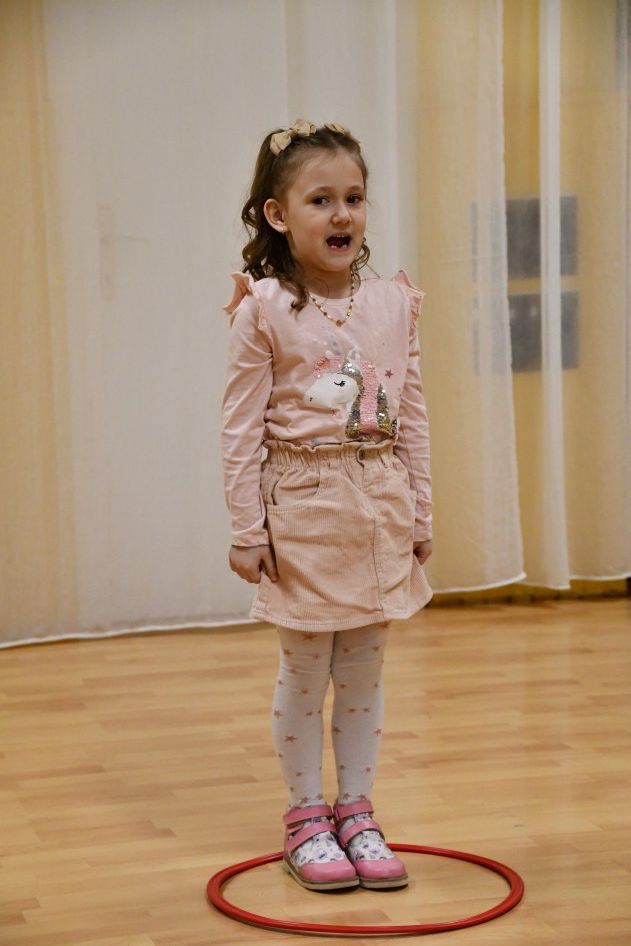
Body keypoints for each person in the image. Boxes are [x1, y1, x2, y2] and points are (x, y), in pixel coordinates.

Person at [220, 119, 433, 892]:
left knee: (365, 670)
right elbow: (239, 427)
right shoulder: (264, 308)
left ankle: (356, 811)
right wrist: (247, 529)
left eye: (354, 197)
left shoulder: (393, 302)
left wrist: (421, 514)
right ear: (278, 215)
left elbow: (412, 412)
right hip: (304, 511)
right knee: (307, 668)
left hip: (379, 507)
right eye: (320, 199)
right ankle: (305, 816)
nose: (342, 214)